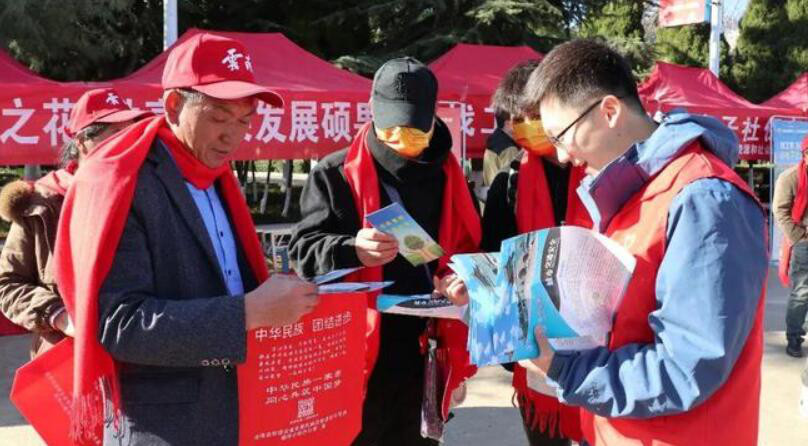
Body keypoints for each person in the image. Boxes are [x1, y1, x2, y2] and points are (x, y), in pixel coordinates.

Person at [54, 33, 319, 445]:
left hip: (237, 409)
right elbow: (119, 323)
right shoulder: (122, 180)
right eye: (219, 117)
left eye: (245, 121)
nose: (233, 136)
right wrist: (247, 312)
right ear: (174, 105)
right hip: (164, 425)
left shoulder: (215, 176)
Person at [521, 39, 768, 446]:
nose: (562, 157)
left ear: (609, 112)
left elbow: (686, 365)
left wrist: (567, 369)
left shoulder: (703, 197)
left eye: (560, 136)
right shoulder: (632, 191)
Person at [289, 57, 481, 446]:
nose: (402, 142)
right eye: (391, 131)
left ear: (433, 121)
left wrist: (460, 276)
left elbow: (473, 249)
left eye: (414, 132)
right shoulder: (335, 173)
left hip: (427, 344)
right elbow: (302, 252)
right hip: (356, 349)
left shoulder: (449, 176)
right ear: (373, 113)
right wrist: (351, 249)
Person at [480, 59, 589, 446]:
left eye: (535, 116)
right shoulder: (507, 185)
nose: (527, 126)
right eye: (517, 119)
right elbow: (492, 262)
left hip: (597, 340)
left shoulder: (599, 173)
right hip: (533, 343)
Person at [0, 87, 148, 358]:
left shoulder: (146, 194)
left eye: (130, 134)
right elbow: (8, 284)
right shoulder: (42, 203)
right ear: (81, 142)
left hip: (139, 354)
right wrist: (59, 315)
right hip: (66, 355)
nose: (126, 144)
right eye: (114, 134)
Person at [773, 135, 808, 357]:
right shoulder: (790, 178)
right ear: (804, 154)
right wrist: (799, 238)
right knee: (802, 292)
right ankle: (794, 336)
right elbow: (780, 211)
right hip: (804, 243)